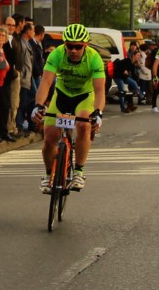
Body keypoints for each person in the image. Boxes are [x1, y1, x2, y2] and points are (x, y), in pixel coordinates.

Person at [31, 24, 104, 192]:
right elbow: (46, 83)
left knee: (84, 125)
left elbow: (100, 90)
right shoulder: (56, 55)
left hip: (84, 97)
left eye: (78, 46)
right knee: (49, 136)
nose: (73, 50)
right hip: (62, 95)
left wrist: (98, 112)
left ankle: (78, 171)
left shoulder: (94, 58)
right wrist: (38, 105)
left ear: (85, 45)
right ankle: (49, 174)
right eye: (69, 46)